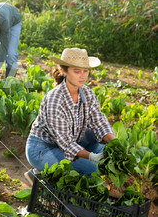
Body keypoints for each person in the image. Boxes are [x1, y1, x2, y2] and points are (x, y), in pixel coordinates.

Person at [24, 48, 115, 184]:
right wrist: (91, 157)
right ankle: (42, 174)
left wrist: (116, 145)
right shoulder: (54, 99)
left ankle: (50, 174)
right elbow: (66, 143)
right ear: (64, 71)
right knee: (92, 168)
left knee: (106, 147)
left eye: (85, 71)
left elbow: (99, 123)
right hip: (43, 149)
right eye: (77, 71)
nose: (83, 76)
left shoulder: (88, 94)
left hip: (68, 144)